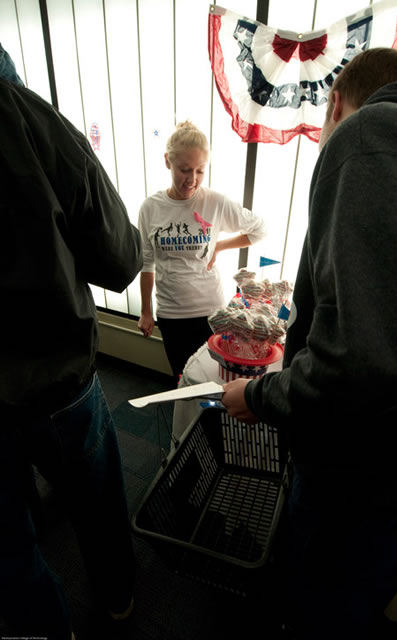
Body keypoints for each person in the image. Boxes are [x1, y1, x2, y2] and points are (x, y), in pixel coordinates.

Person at [222, 47, 397, 639]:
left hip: (365, 473)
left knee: (321, 604)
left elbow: (363, 360)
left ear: (334, 103)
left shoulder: (369, 133)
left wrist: (258, 396)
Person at [0, 44, 143, 640]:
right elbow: (118, 258)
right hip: (55, 374)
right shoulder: (27, 117)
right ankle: (118, 602)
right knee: (97, 503)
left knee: (8, 551)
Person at [137, 121, 266, 383]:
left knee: (217, 381)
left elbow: (259, 230)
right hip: (172, 313)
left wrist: (219, 245)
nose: (192, 179)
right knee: (183, 379)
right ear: (167, 162)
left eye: (200, 171)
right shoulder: (150, 208)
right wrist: (146, 311)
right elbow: (147, 264)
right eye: (185, 170)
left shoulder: (214, 202)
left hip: (211, 311)